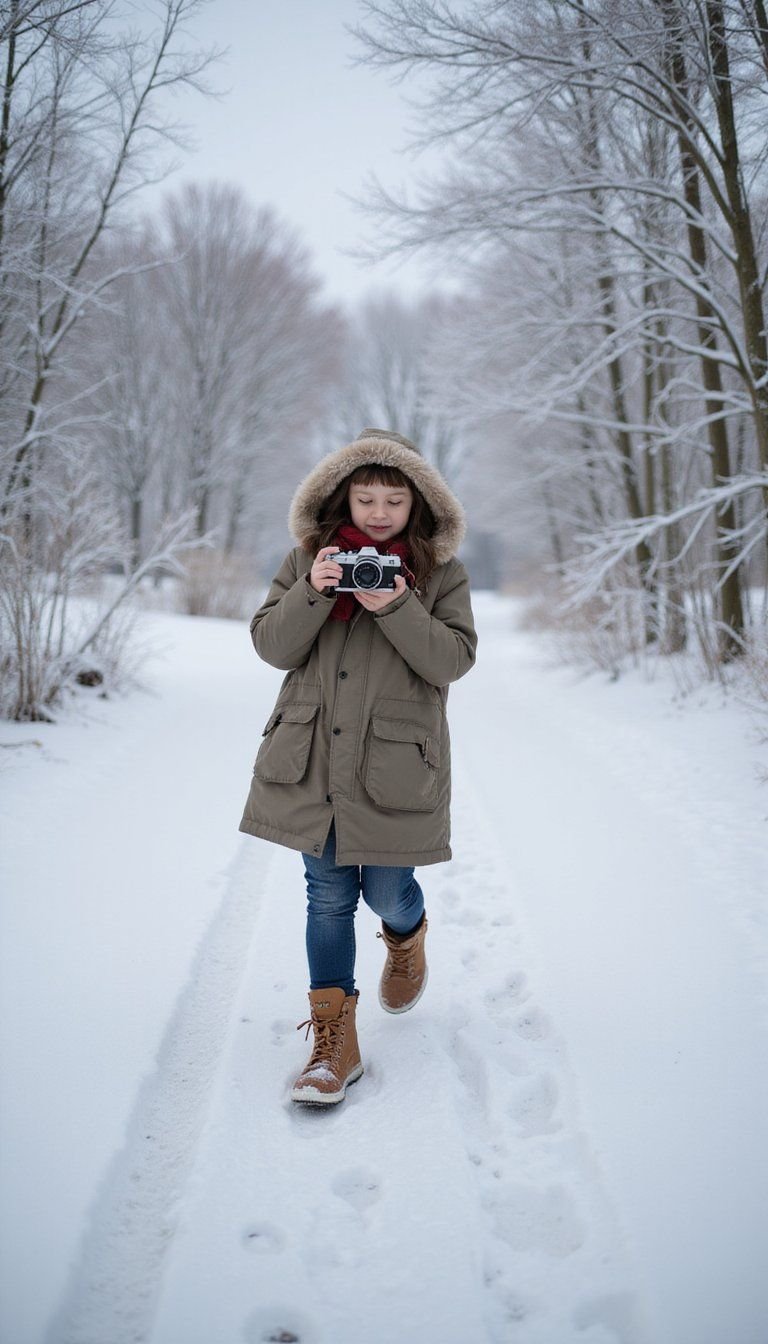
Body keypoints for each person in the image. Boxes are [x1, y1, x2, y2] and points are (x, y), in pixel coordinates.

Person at [239, 428, 477, 1105]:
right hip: (314, 758)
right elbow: (272, 647)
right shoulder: (309, 559)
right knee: (328, 895)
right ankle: (334, 1045)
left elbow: (451, 661)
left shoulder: (440, 575)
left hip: (394, 766)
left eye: (393, 500)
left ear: (418, 505)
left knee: (385, 893)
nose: (377, 513)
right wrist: (312, 592)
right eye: (364, 497)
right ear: (340, 498)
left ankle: (407, 933)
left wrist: (396, 604)